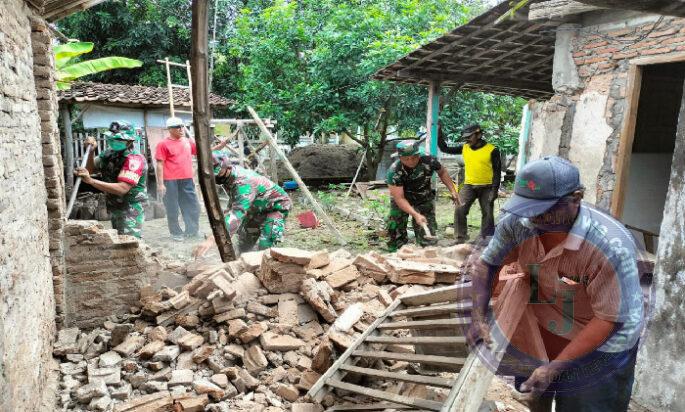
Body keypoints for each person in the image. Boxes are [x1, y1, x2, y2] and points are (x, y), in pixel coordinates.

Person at [468, 156, 643, 412]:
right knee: (536, 388)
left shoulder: (610, 246)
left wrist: (556, 366)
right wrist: (478, 318)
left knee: (583, 404)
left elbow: (608, 320)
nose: (534, 217)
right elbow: (487, 266)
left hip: (606, 338)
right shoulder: (519, 222)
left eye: (545, 209)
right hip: (556, 315)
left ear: (577, 197)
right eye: (527, 208)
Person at [193, 153, 292, 256]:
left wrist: (213, 239)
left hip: (277, 207)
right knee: (245, 243)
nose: (215, 176)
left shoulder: (243, 182)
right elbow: (233, 204)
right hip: (256, 208)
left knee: (265, 244)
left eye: (217, 173)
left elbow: (237, 214)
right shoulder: (228, 177)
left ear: (227, 167)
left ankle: (263, 261)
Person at [75, 121, 148, 238]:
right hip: (114, 206)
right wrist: (91, 152)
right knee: (119, 238)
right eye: (112, 138)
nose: (114, 141)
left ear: (130, 141)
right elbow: (91, 169)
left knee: (130, 241)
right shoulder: (109, 153)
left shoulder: (135, 159)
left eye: (118, 139)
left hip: (130, 208)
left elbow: (122, 188)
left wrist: (91, 181)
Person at [386, 139, 460, 252]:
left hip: (423, 197)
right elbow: (399, 198)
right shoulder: (394, 171)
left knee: (428, 237)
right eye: (406, 158)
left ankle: (426, 256)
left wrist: (453, 190)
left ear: (418, 154)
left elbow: (442, 172)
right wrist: (415, 214)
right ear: (400, 157)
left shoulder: (429, 159)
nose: (411, 161)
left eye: (414, 157)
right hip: (402, 199)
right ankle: (396, 256)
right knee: (395, 231)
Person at [438, 123, 501, 243]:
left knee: (487, 213)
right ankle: (460, 238)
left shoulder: (492, 150)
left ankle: (486, 240)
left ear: (479, 135)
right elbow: (444, 148)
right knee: (459, 209)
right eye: (465, 137)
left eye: (469, 136)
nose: (466, 139)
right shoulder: (464, 147)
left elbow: (497, 172)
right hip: (469, 186)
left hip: (487, 186)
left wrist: (494, 190)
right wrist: (439, 133)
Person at [155, 117, 201, 241]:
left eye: (182, 126)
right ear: (170, 129)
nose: (181, 129)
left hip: (187, 179)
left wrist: (218, 146)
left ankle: (191, 230)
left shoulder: (187, 141)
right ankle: (175, 232)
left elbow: (201, 152)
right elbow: (159, 164)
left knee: (191, 205)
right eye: (177, 127)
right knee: (172, 207)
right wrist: (160, 184)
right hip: (170, 180)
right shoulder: (163, 144)